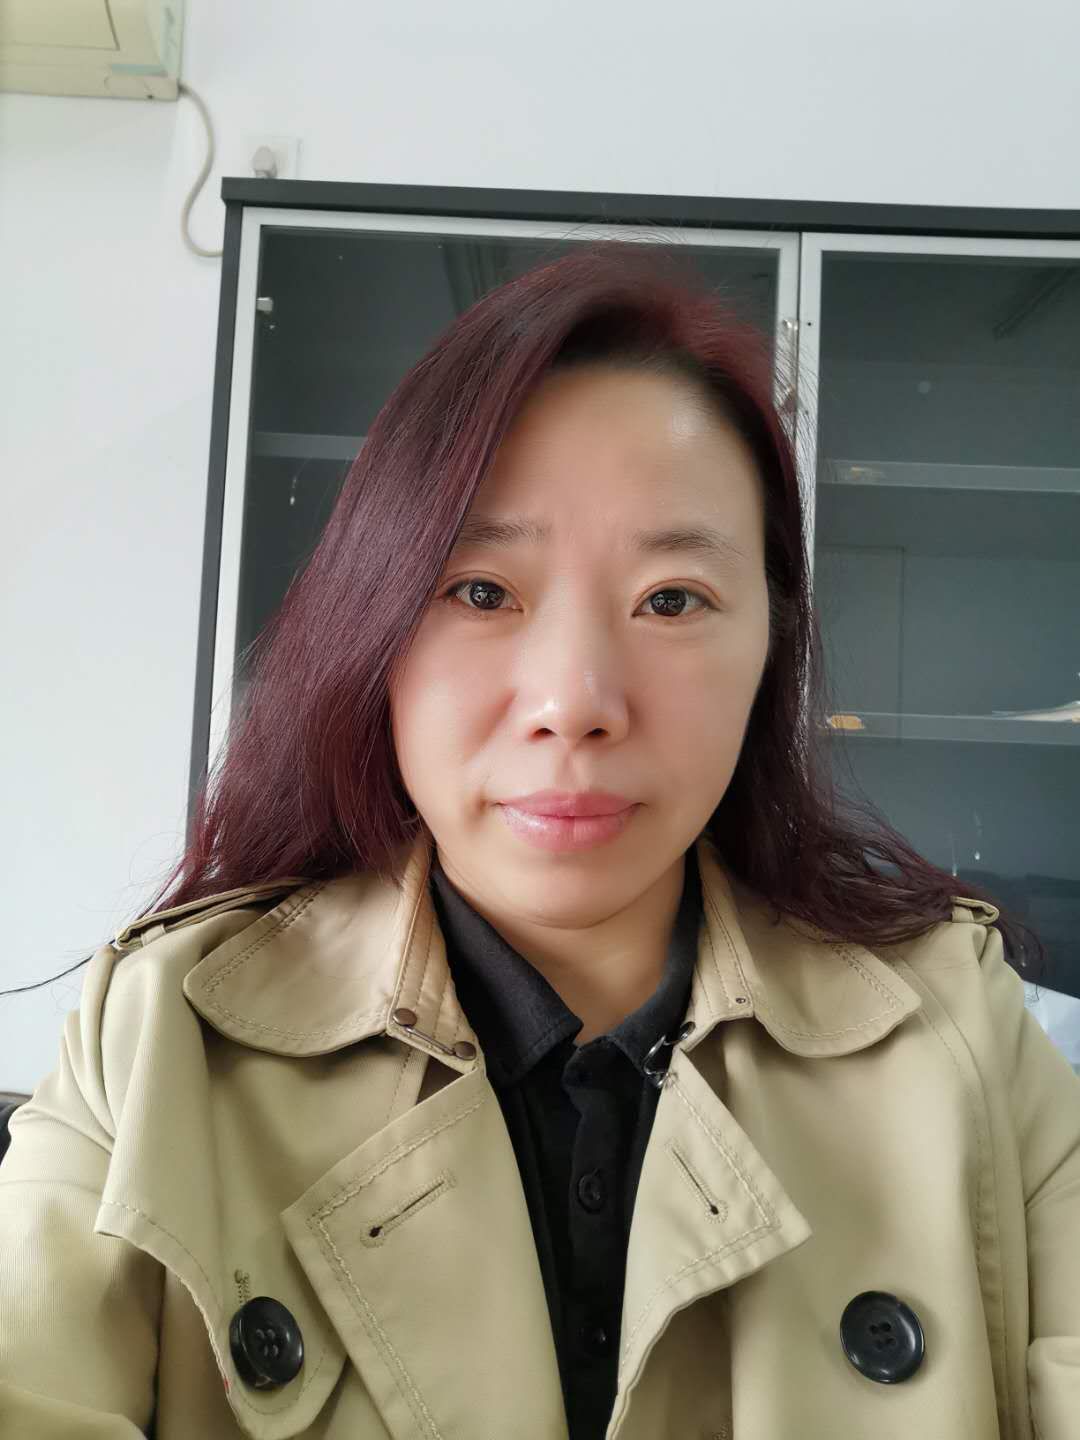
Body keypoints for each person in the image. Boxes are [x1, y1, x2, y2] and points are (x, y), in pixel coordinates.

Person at [1, 241, 1077, 1440]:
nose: (574, 701)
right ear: (376, 631)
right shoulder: (158, 1041)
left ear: (772, 646)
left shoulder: (959, 1032)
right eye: (482, 591)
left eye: (672, 599)